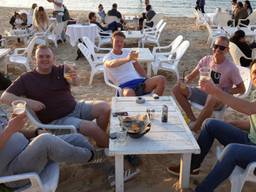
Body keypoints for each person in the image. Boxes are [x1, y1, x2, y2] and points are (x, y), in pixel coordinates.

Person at [168, 60, 256, 192]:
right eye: (254, 72)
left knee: (232, 151)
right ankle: (193, 166)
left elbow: (248, 109)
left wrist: (216, 92)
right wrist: (231, 124)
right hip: (250, 141)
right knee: (211, 124)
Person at [1, 45, 110, 148]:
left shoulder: (61, 70)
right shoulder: (26, 79)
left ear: (54, 59)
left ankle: (100, 142)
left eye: (48, 56)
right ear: (35, 60)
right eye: (41, 56)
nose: (44, 59)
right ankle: (108, 146)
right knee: (92, 128)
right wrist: (29, 102)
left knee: (104, 107)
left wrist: (74, 78)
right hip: (57, 120)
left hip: (75, 107)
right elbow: (4, 97)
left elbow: (76, 83)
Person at [0, 107, 106, 189]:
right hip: (13, 172)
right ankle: (93, 156)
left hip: (26, 150)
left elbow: (11, 132)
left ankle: (93, 157)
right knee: (46, 141)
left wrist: (35, 132)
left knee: (76, 138)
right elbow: (9, 131)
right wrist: (10, 130)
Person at [172, 36, 245, 133]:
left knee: (212, 96)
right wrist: (184, 80)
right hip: (203, 92)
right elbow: (190, 77)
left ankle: (194, 129)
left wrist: (225, 91)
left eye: (222, 48)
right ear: (213, 47)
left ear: (227, 50)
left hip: (220, 98)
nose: (218, 49)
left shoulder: (231, 68)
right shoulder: (206, 60)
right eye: (216, 46)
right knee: (176, 89)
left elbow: (242, 89)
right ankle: (194, 120)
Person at [103, 31, 166, 96]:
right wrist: (127, 59)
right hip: (124, 85)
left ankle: (156, 103)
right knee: (129, 93)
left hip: (139, 82)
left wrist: (147, 78)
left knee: (161, 79)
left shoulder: (128, 52)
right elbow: (110, 64)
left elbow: (138, 67)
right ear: (112, 41)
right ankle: (136, 105)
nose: (119, 44)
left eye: (121, 42)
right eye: (117, 41)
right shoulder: (108, 57)